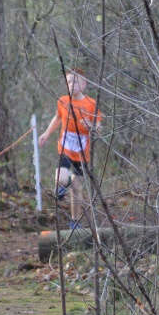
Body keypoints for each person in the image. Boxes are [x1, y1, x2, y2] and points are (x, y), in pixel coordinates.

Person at [38, 68, 102, 229]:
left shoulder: (91, 104)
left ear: (84, 84)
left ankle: (74, 221)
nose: (72, 85)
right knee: (61, 178)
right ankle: (61, 188)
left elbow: (99, 128)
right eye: (69, 82)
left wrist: (92, 127)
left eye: (76, 81)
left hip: (82, 152)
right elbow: (58, 117)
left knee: (77, 188)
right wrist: (46, 133)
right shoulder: (63, 101)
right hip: (65, 148)